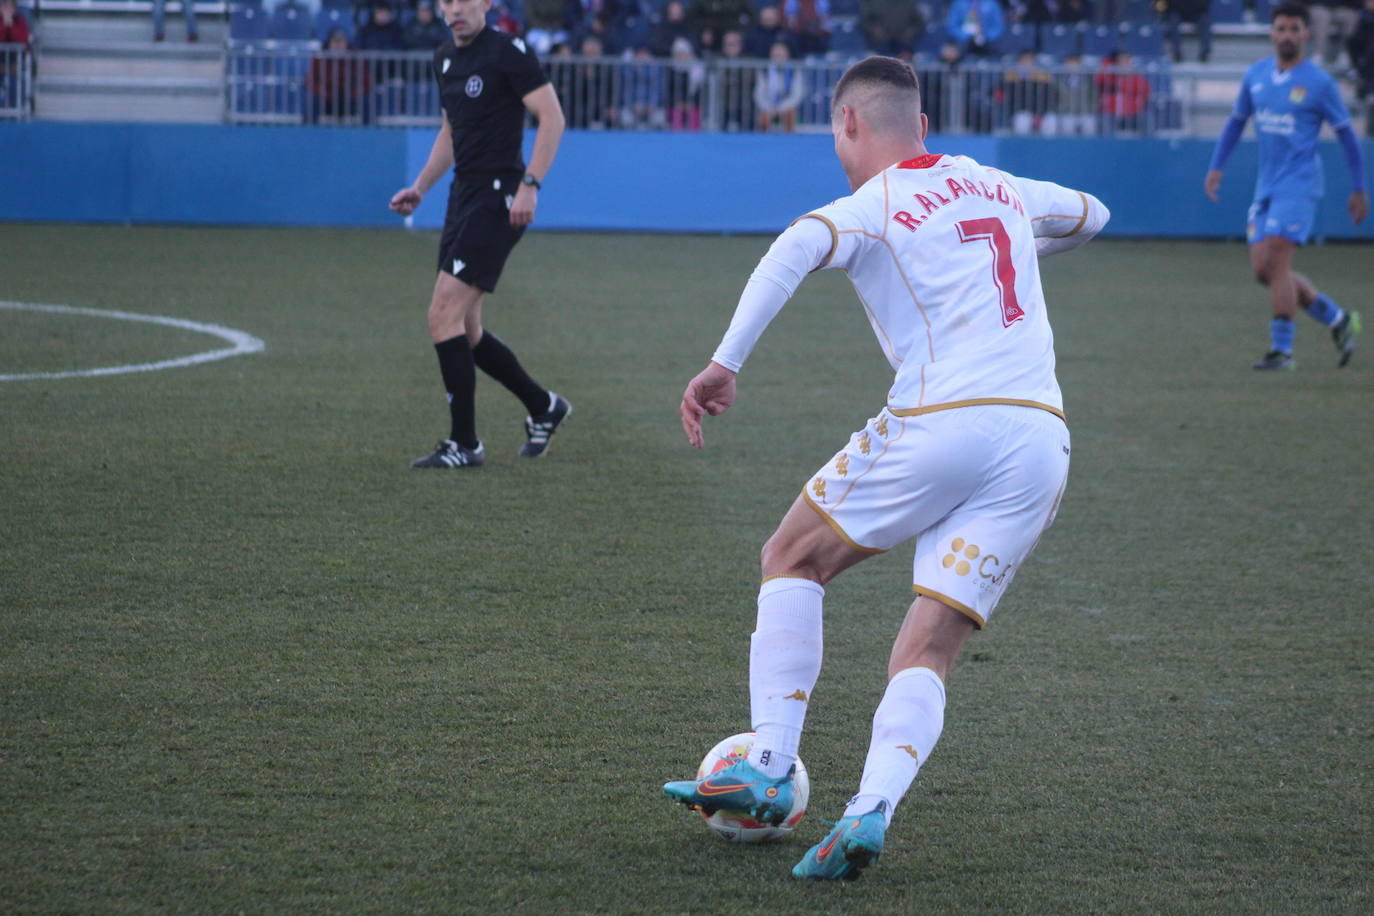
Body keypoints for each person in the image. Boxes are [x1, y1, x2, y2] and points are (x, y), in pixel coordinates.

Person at [662, 54, 1109, 882]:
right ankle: (869, 811)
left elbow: (797, 245)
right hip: (1041, 438)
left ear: (848, 125)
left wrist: (724, 363)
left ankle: (767, 763)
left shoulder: (874, 204)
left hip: (945, 419)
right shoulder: (996, 183)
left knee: (791, 556)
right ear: (925, 127)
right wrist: (1004, 237)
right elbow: (1093, 215)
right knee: (928, 647)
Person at [389, 0, 571, 468]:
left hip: (499, 197)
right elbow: (451, 131)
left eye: (464, 0)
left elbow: (552, 117)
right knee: (465, 330)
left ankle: (465, 443)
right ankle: (543, 406)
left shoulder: (508, 50)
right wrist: (421, 187)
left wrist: (530, 186)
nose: (454, 9)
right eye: (445, 1)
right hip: (462, 197)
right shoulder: (443, 58)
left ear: (486, 2)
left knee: (441, 314)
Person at [1205, 2, 1367, 370]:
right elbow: (1235, 123)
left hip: (1299, 185)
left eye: (1295, 29)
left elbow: (1347, 137)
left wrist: (1359, 188)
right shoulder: (1257, 76)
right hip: (1267, 186)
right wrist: (1216, 168)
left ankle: (1283, 352)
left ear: (1306, 34)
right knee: (1264, 271)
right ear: (1271, 33)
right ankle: (1337, 318)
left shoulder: (1320, 83)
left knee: (1277, 262)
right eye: (1281, 28)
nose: (1288, 35)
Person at [308, 28, 373, 123]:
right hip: (327, 98)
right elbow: (311, 81)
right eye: (335, 41)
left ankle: (370, 134)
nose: (338, 45)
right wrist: (324, 92)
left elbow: (366, 81)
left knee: (366, 101)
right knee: (313, 100)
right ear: (329, 43)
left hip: (351, 98)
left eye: (341, 41)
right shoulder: (320, 58)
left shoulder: (355, 57)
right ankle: (308, 133)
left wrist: (354, 93)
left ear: (346, 43)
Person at [754, 40, 804, 130]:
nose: (778, 59)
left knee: (790, 113)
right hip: (768, 106)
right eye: (775, 56)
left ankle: (789, 141)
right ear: (770, 56)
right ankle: (764, 141)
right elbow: (759, 94)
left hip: (786, 107)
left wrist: (781, 108)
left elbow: (797, 95)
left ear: (787, 55)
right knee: (763, 115)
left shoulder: (795, 70)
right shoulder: (764, 70)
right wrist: (768, 108)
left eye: (781, 56)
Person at [1095, 50, 1149, 133]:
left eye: (1127, 61)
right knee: (1104, 126)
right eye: (1121, 61)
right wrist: (1110, 63)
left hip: (1132, 112)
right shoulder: (1109, 75)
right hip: (1111, 113)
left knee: (1144, 122)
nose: (1124, 64)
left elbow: (1145, 93)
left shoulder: (1136, 78)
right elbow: (1098, 78)